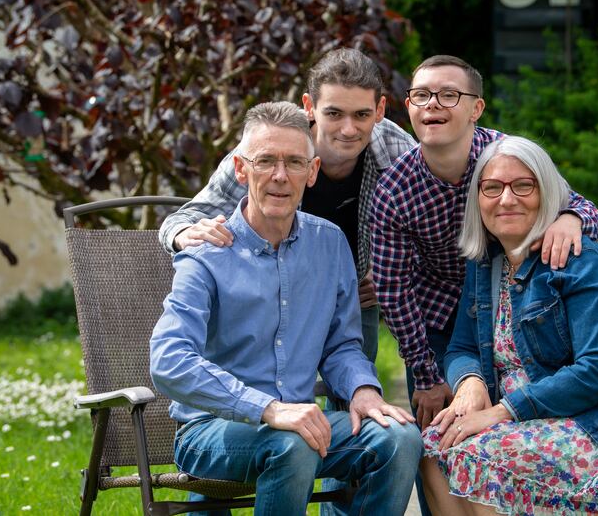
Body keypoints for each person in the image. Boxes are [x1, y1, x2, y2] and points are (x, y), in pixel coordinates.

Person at [150, 101, 422, 516]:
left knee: (399, 438)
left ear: (311, 173)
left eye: (295, 162)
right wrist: (269, 409)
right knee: (292, 444)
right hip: (211, 430)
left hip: (301, 425)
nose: (280, 176)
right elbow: (168, 360)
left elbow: (342, 346)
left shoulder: (330, 244)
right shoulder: (206, 250)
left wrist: (362, 389)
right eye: (266, 161)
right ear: (241, 170)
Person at [419, 135, 598, 515]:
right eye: (492, 187)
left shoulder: (582, 262)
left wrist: (500, 412)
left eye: (523, 185)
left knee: (482, 459)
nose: (506, 199)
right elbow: (462, 347)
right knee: (433, 446)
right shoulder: (486, 263)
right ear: (477, 199)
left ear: (546, 193)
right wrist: (470, 383)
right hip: (527, 418)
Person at [370, 55, 598, 428]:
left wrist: (570, 218)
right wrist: (424, 373)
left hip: (509, 300)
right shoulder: (394, 190)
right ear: (409, 107)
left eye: (448, 94)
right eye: (420, 95)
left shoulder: (506, 158)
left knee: (506, 414)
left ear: (476, 108)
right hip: (437, 310)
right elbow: (393, 288)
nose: (432, 104)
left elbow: (588, 210)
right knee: (436, 429)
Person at [159, 47, 416, 365]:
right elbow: (184, 217)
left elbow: (431, 230)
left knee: (355, 383)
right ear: (310, 106)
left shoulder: (397, 149)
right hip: (271, 290)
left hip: (354, 296)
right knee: (272, 387)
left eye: (361, 115)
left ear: (379, 110)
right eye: (334, 114)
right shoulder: (269, 146)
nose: (348, 129)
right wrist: (185, 234)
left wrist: (392, 272)